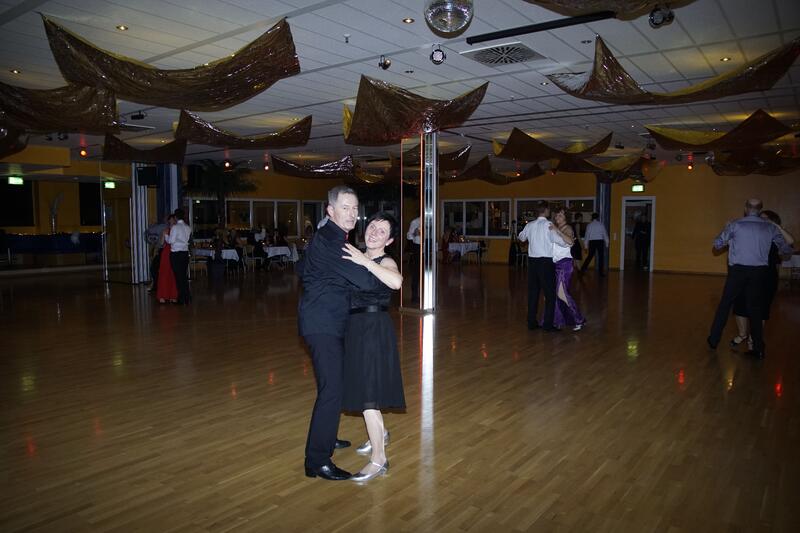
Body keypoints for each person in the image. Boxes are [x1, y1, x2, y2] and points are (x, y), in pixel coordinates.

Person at [297, 186, 384, 481]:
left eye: (354, 208)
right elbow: (367, 282)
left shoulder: (328, 238)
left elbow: (303, 268)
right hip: (323, 325)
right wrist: (380, 265)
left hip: (326, 321)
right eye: (344, 207)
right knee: (332, 389)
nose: (351, 213)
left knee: (335, 384)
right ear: (330, 211)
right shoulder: (334, 242)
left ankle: (326, 434)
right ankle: (317, 461)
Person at [341, 212, 405, 483]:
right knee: (363, 385)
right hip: (354, 328)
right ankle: (381, 434)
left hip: (374, 330)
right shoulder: (354, 255)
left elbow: (396, 282)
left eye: (382, 231)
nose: (374, 232)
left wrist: (365, 261)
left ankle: (379, 459)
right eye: (373, 227)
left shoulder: (385, 260)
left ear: (389, 241)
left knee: (368, 394)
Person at [707, 199, 792, 359]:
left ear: (746, 209)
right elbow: (786, 249)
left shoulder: (735, 225)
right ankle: (758, 348)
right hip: (759, 273)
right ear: (759, 210)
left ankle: (713, 340)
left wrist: (729, 235)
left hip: (737, 272)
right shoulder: (769, 227)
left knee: (725, 305)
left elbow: (717, 245)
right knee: (756, 309)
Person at [730, 209, 795, 350]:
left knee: (761, 309)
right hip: (746, 275)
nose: (761, 221)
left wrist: (775, 225)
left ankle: (754, 338)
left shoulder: (775, 235)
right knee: (740, 305)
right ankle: (742, 334)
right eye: (760, 218)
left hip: (767, 278)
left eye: (765, 219)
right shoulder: (753, 234)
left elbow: (790, 241)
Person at [517, 201, 569, 332]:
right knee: (550, 295)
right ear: (546, 211)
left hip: (532, 263)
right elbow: (562, 242)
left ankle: (531, 322)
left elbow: (521, 237)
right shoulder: (549, 225)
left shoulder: (530, 225)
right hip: (546, 263)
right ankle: (547, 325)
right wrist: (566, 240)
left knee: (533, 293)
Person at [552, 208, 585, 331]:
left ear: (566, 217)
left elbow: (570, 241)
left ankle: (578, 319)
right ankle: (558, 320)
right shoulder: (557, 228)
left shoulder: (568, 228)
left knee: (562, 293)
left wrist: (556, 231)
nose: (557, 217)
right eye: (557, 215)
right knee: (557, 294)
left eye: (560, 215)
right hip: (556, 264)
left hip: (564, 265)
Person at [167, 209, 192, 305]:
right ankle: (187, 297)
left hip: (176, 254)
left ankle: (182, 298)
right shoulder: (188, 227)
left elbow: (171, 241)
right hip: (185, 253)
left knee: (178, 277)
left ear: (176, 217)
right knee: (183, 276)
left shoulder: (175, 227)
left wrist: (166, 236)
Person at [157, 215, 178, 304]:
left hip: (175, 253)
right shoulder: (165, 230)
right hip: (166, 254)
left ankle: (173, 296)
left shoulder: (177, 230)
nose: (171, 223)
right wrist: (163, 235)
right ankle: (162, 295)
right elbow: (161, 244)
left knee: (173, 274)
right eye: (170, 221)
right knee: (164, 274)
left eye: (173, 221)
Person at [406, 215, 421, 303]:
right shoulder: (415, 222)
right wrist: (414, 234)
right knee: (416, 272)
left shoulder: (430, 220)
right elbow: (408, 236)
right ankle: (414, 296)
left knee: (428, 272)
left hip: (427, 246)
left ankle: (427, 295)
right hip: (417, 247)